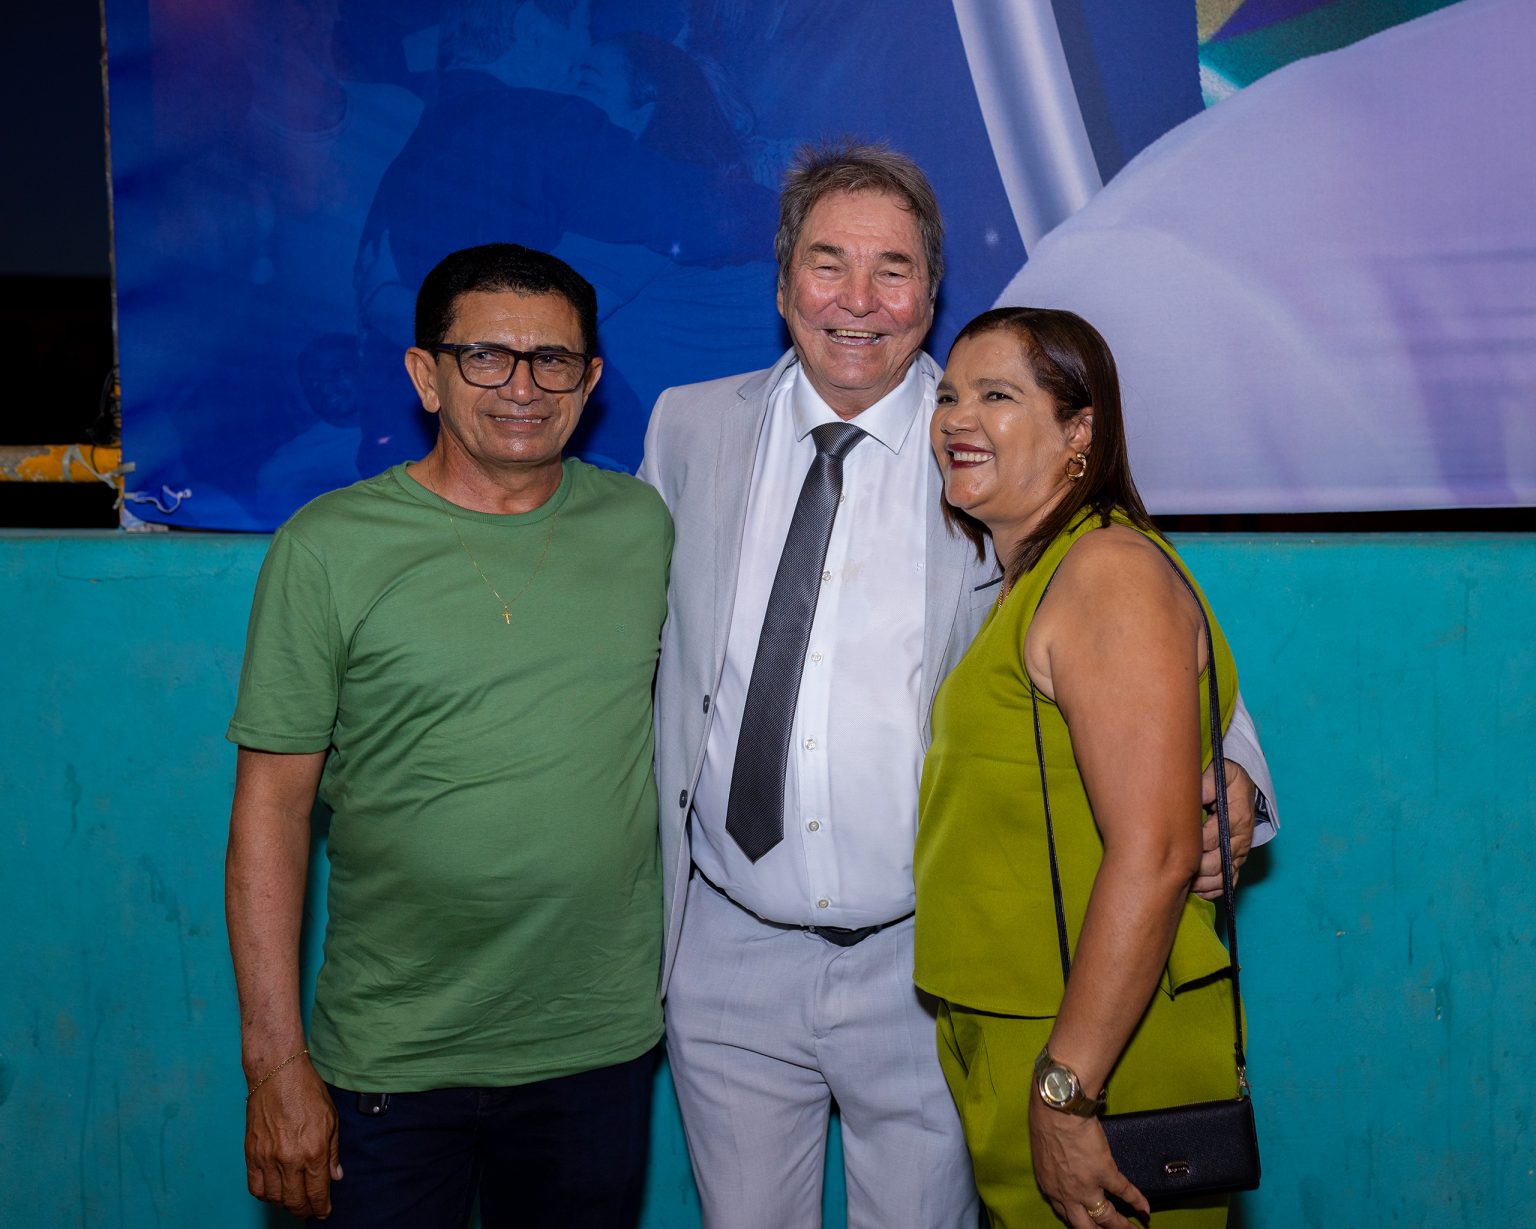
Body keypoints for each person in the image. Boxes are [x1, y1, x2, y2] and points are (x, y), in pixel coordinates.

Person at [639, 142, 1276, 1229]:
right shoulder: (688, 429)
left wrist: (1236, 776)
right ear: (782, 281)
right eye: (827, 263)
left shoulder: (989, 445)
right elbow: (648, 646)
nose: (857, 299)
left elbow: (1148, 630)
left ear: (931, 291)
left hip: (928, 964)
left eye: (892, 269)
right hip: (726, 945)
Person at [224, 243, 672, 1228]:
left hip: (592, 1051)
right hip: (392, 1057)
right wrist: (275, 1063)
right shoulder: (327, 547)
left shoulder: (643, 527)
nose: (523, 386)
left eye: (553, 360)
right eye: (486, 356)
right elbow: (270, 810)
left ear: (591, 379)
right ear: (426, 375)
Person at [914, 307, 1250, 1228]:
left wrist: (1067, 1089)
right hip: (1035, 1029)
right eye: (947, 396)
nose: (956, 418)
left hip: (1095, 1050)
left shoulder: (1105, 570)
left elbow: (1157, 851)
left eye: (997, 395)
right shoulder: (1038, 574)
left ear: (1080, 431)